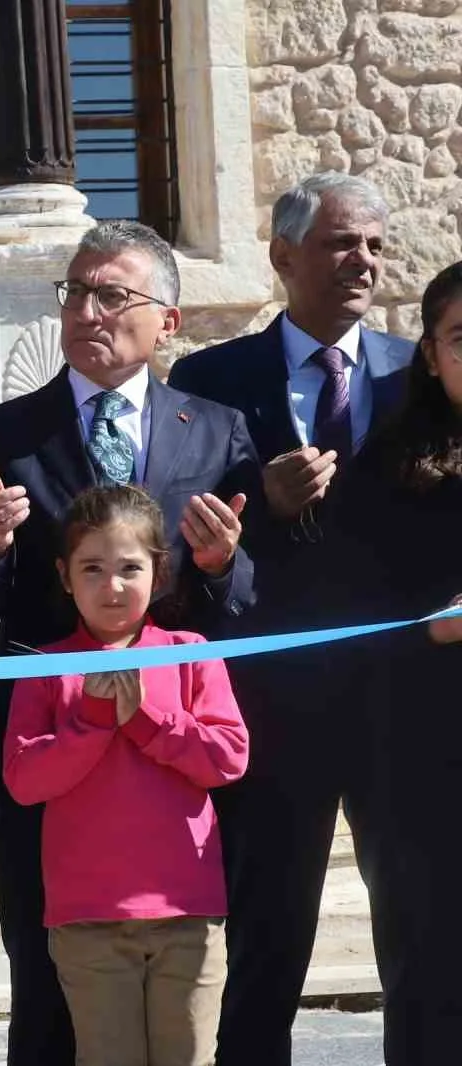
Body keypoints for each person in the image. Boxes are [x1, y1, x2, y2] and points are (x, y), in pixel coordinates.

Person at [0, 219, 259, 1066]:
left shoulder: (217, 430)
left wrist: (224, 563)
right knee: (45, 997)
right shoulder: (4, 434)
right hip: (52, 754)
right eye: (75, 291)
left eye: (112, 293)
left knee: (177, 1016)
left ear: (169, 319)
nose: (87, 309)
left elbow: (242, 605)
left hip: (171, 764)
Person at [165, 172, 414, 1066]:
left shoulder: (417, 370)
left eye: (377, 246)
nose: (365, 262)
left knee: (418, 939)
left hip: (399, 702)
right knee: (267, 939)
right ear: (282, 257)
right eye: (344, 243)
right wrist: (260, 502)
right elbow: (179, 525)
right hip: (271, 705)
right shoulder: (211, 377)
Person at [4, 484, 249, 1066]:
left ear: (159, 573)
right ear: (65, 576)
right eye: (92, 568)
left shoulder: (189, 652)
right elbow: (23, 780)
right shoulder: (46, 668)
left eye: (129, 568)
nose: (111, 586)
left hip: (186, 913)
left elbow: (229, 757)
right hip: (87, 917)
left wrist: (145, 719)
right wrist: (90, 721)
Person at [315, 261, 462, 1066]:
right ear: (432, 355)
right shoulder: (387, 471)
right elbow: (342, 622)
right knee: (430, 974)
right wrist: (429, 635)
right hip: (419, 768)